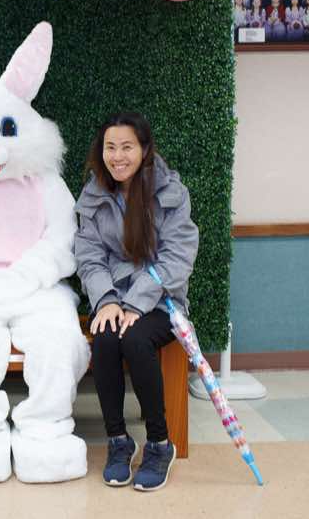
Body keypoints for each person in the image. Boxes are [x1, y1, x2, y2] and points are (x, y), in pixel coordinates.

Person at [74, 112, 198, 492]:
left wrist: (137, 303)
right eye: (110, 147)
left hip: (161, 300)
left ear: (144, 149)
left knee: (135, 339)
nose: (118, 156)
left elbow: (177, 257)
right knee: (105, 339)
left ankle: (159, 444)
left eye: (127, 147)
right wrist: (107, 300)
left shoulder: (170, 192)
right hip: (113, 296)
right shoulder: (93, 195)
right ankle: (118, 441)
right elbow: (89, 256)